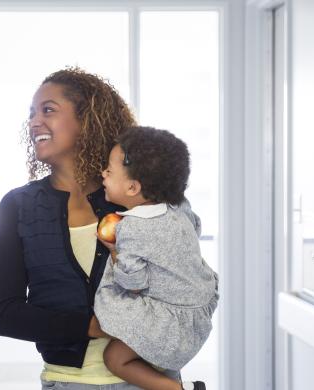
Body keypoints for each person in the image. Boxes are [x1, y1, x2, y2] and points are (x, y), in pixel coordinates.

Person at [0, 67, 183, 389]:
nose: (35, 121)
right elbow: (7, 314)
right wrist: (93, 326)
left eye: (48, 110)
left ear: (87, 120)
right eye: (32, 113)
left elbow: (178, 284)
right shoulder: (17, 207)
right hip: (68, 381)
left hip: (149, 378)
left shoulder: (140, 198)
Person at [95, 126, 219, 390]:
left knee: (113, 358)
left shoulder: (131, 228)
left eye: (109, 169)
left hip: (171, 325)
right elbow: (195, 227)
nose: (103, 173)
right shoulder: (178, 207)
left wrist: (113, 248)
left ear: (132, 187)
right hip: (200, 310)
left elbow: (134, 284)